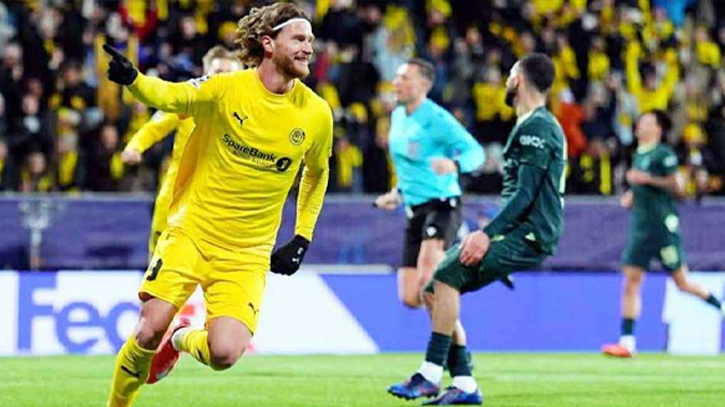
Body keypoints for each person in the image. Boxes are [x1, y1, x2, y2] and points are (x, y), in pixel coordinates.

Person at [103, 3, 333, 407]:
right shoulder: (227, 88)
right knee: (148, 329)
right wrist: (135, 81)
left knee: (224, 353)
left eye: (310, 40)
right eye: (299, 38)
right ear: (268, 43)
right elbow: (172, 96)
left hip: (247, 253)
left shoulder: (316, 113)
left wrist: (302, 236)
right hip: (192, 232)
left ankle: (180, 338)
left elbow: (317, 174)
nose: (308, 48)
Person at [387, 53, 566, 405]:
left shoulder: (538, 128)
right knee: (431, 289)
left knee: (444, 277)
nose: (506, 80)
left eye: (510, 74)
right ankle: (464, 384)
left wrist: (487, 233)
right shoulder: (531, 124)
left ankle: (431, 373)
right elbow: (521, 193)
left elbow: (525, 194)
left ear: (519, 80)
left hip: (531, 234)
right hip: (517, 229)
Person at [602, 111, 724, 358]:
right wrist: (633, 195)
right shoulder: (638, 154)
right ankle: (627, 342)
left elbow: (677, 187)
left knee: (682, 282)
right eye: (641, 121)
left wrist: (646, 179)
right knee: (631, 281)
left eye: (647, 122)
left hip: (662, 227)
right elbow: (642, 187)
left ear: (658, 129)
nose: (640, 125)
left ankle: (720, 306)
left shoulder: (663, 154)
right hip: (641, 228)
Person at [375, 58, 484, 311]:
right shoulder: (398, 115)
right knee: (410, 297)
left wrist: (455, 164)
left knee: (428, 283)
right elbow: (408, 164)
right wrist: (398, 192)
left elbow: (476, 152)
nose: (396, 82)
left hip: (442, 203)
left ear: (423, 85)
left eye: (404, 78)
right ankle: (455, 271)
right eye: (397, 77)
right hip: (415, 208)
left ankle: (449, 338)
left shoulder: (437, 119)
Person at [121, 46, 243, 256]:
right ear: (205, 74)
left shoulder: (248, 110)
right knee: (161, 246)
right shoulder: (189, 99)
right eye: (217, 72)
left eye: (229, 74)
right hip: (179, 185)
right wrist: (134, 147)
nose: (222, 79)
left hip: (224, 191)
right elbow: (155, 127)